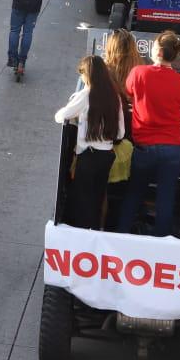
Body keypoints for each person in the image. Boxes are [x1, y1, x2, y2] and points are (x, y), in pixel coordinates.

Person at [118, 32, 180, 237]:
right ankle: (162, 242)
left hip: (144, 146)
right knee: (166, 196)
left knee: (134, 193)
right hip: (174, 148)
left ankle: (121, 234)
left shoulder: (138, 73)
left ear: (157, 51)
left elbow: (128, 94)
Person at [54, 55, 125, 230]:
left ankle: (81, 235)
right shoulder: (114, 96)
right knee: (97, 198)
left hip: (88, 155)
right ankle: (94, 232)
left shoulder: (86, 94)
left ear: (88, 75)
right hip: (106, 155)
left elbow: (61, 116)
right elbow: (121, 132)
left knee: (82, 201)